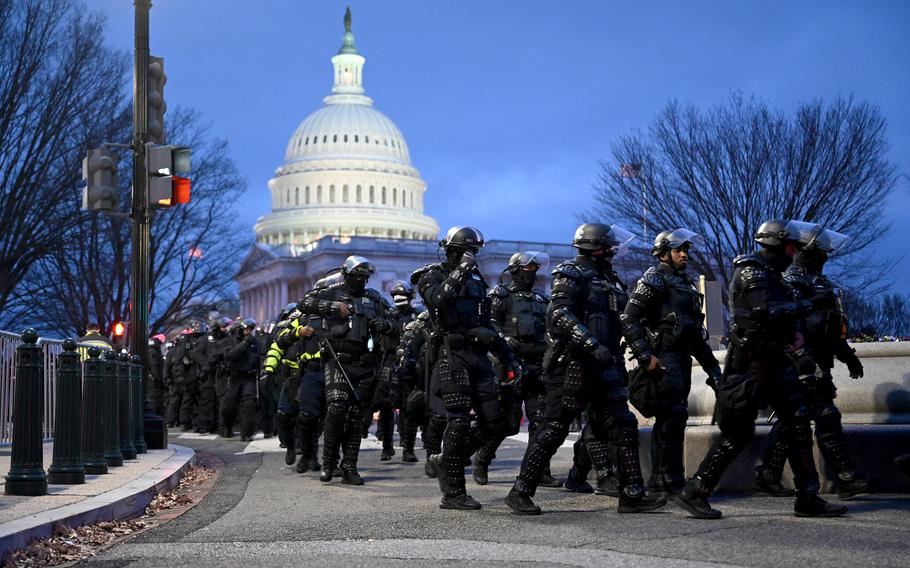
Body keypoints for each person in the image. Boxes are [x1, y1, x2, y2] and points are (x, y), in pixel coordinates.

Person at [676, 220, 847, 519]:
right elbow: (766, 312)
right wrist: (810, 303)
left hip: (775, 361)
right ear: (782, 246)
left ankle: (808, 495)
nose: (794, 255)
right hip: (752, 366)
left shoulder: (773, 275)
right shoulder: (751, 271)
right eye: (791, 248)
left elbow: (784, 319)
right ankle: (696, 490)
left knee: (798, 424)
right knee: (738, 432)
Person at [505, 223, 667, 515]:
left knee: (624, 423)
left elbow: (622, 320)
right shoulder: (572, 273)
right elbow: (559, 315)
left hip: (605, 364)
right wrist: (591, 344)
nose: (614, 251)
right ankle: (520, 492)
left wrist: (644, 354)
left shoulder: (610, 279)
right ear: (596, 248)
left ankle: (632, 494)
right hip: (572, 364)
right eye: (610, 247)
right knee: (554, 429)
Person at [754, 226, 873, 498]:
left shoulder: (818, 282)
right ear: (805, 252)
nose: (825, 256)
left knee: (792, 420)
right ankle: (846, 476)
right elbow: (798, 326)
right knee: (824, 416)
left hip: (817, 360)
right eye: (820, 250)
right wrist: (803, 360)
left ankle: (769, 474)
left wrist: (847, 355)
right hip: (800, 362)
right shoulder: (792, 282)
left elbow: (829, 328)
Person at [412, 226, 521, 510]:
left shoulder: (477, 279)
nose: (471, 257)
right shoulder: (430, 275)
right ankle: (453, 493)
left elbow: (484, 321)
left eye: (474, 252)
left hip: (478, 355)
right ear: (450, 250)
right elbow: (438, 301)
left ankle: (445, 460)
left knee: (497, 423)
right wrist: (460, 270)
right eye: (466, 251)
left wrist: (505, 353)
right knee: (458, 423)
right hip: (452, 353)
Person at [621, 229, 723, 498]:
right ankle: (669, 480)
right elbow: (629, 318)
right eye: (678, 250)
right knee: (671, 417)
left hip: (682, 357)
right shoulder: (654, 279)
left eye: (685, 250)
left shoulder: (685, 284)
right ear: (664, 253)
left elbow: (694, 333)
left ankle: (663, 479)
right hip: (664, 357)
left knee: (675, 416)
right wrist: (645, 356)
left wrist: (713, 368)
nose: (684, 255)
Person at [296, 256, 391, 485]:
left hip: (365, 362)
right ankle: (328, 463)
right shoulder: (332, 291)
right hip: (337, 359)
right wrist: (332, 307)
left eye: (364, 277)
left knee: (357, 417)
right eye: (356, 276)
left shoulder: (373, 298)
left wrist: (384, 325)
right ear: (347, 275)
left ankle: (349, 466)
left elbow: (396, 323)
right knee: (336, 409)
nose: (360, 281)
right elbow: (304, 304)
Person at [473, 251, 561, 488]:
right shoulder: (501, 295)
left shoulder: (542, 299)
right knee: (508, 422)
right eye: (527, 268)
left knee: (541, 422)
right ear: (514, 270)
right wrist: (503, 342)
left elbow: (551, 328)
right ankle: (483, 458)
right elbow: (488, 323)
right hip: (510, 364)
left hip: (539, 364)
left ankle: (540, 469)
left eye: (534, 269)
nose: (531, 273)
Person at [220, 318, 261, 442]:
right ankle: (227, 427)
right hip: (235, 377)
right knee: (229, 406)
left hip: (249, 377)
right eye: (246, 329)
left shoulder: (255, 342)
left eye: (251, 329)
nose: (249, 332)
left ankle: (247, 433)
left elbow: (258, 358)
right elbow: (230, 356)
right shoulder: (231, 341)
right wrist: (244, 344)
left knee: (249, 406)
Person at [146, 334, 166, 417]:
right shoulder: (154, 354)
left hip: (153, 381)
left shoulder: (150, 352)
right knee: (155, 399)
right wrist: (159, 379)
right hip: (155, 382)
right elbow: (154, 368)